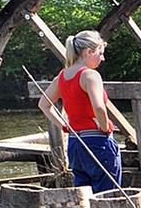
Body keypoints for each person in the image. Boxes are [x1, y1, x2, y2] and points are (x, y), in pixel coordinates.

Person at [37, 30, 120, 192]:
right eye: (100, 53)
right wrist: (105, 127)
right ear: (89, 52)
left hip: (75, 144)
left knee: (82, 196)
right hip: (97, 142)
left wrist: (64, 126)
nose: (103, 59)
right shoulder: (90, 75)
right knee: (108, 195)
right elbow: (98, 107)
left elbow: (43, 104)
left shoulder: (61, 76)